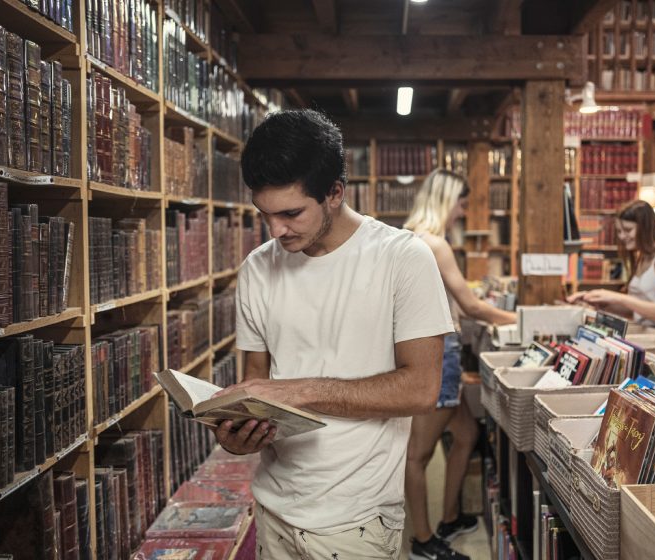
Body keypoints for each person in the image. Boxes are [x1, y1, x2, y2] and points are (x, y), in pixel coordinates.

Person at [213, 109, 455, 560]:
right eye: (263, 214)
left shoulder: (404, 258)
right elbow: (256, 385)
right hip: (273, 506)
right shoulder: (257, 268)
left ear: (334, 193)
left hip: (357, 517)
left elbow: (422, 389)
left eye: (290, 213)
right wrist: (236, 432)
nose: (275, 230)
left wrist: (299, 392)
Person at [403, 169, 516, 560]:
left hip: (427, 347)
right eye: (462, 204)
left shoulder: (408, 237)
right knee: (418, 453)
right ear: (446, 200)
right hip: (440, 350)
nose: (463, 213)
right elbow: (470, 306)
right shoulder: (434, 244)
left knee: (466, 434)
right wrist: (524, 320)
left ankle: (450, 516)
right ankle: (422, 539)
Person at [567, 199, 655, 345]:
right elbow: (640, 309)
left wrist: (619, 298)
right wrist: (599, 301)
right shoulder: (642, 257)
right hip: (650, 336)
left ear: (645, 227)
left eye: (627, 230)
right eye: (619, 231)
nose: (622, 236)